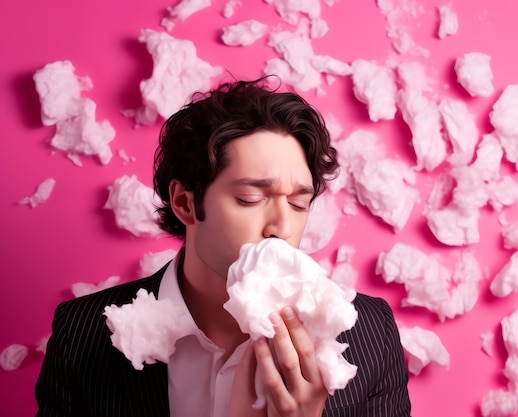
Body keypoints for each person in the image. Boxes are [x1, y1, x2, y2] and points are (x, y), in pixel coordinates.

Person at [35, 77, 411, 417]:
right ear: (184, 203)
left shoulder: (368, 332)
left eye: (299, 203)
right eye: (250, 198)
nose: (283, 226)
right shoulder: (83, 333)